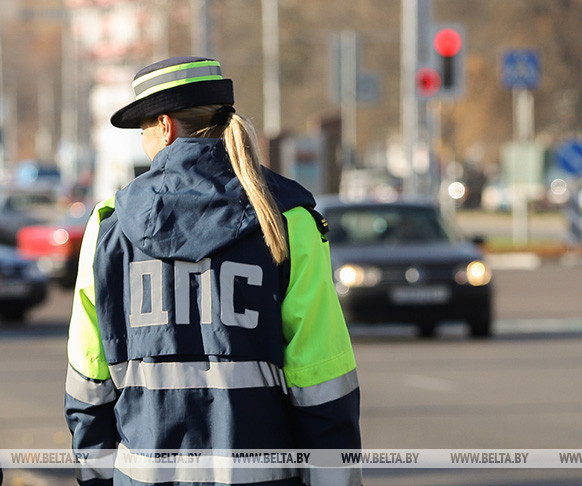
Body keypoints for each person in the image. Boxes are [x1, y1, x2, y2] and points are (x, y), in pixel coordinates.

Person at [64, 56, 361, 486]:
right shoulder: (289, 220)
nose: (144, 143)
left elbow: (88, 385)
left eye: (143, 130)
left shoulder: (108, 227)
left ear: (165, 126)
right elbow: (323, 385)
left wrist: (95, 479)